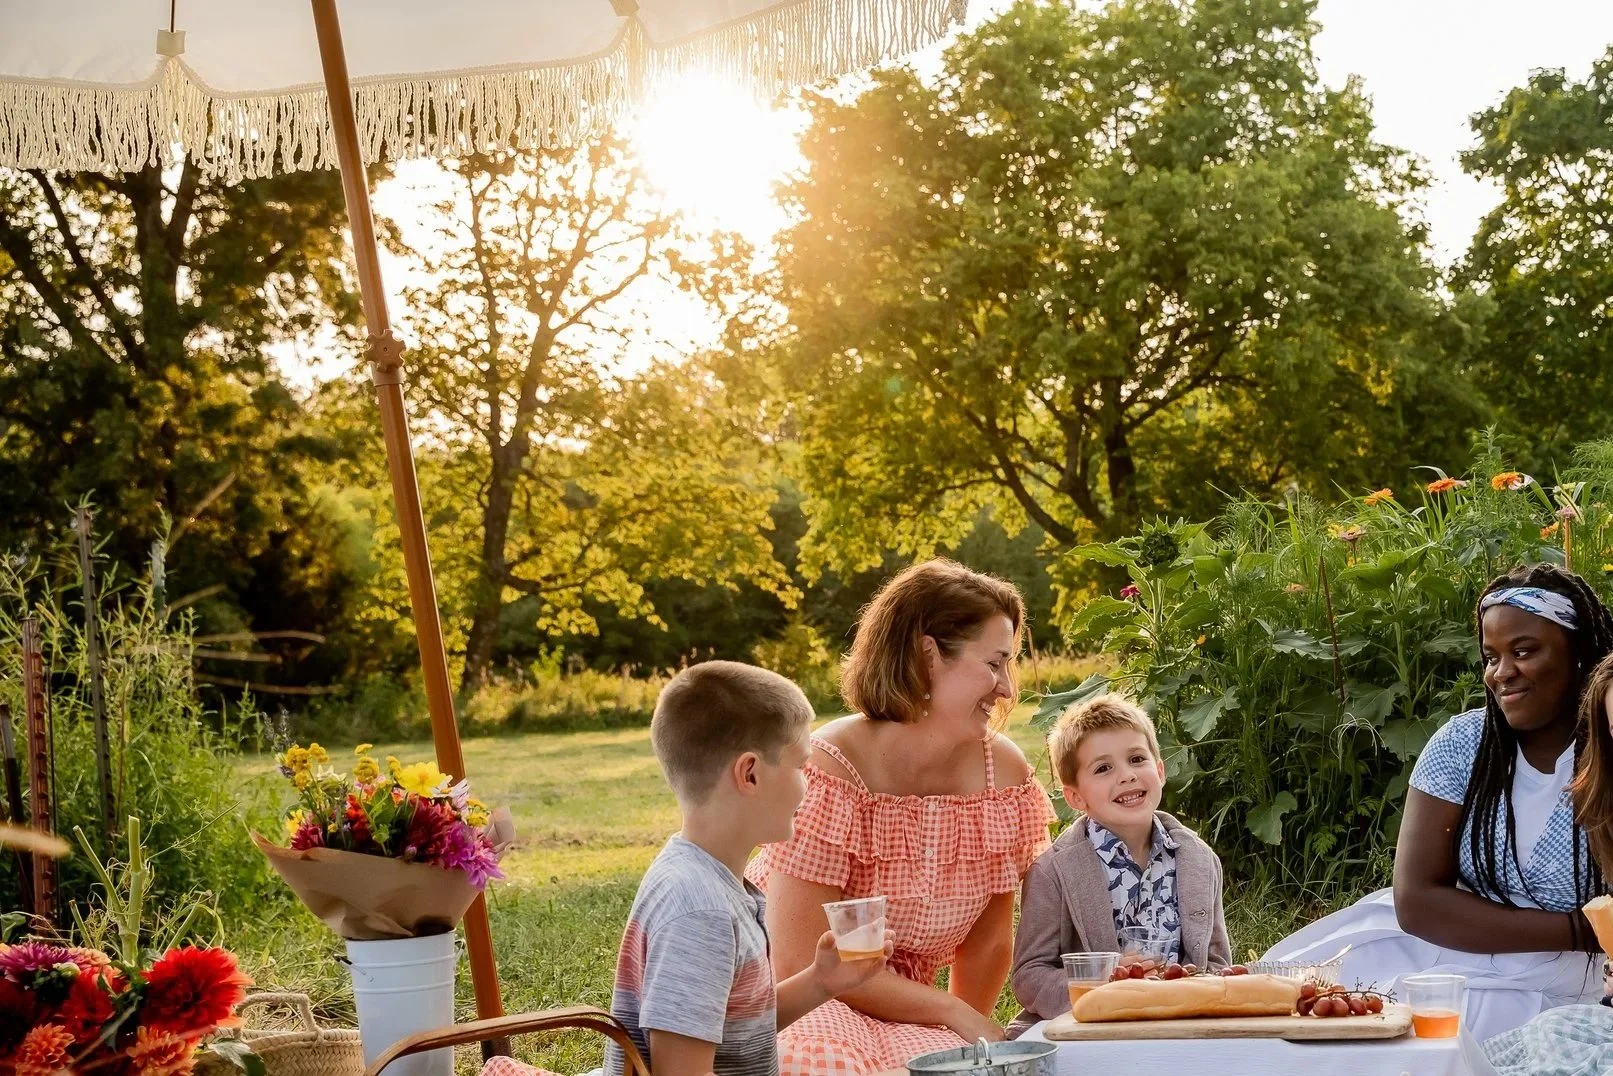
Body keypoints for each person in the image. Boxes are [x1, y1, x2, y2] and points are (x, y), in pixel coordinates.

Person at [1266, 563, 1613, 1040]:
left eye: (1524, 651)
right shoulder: (1463, 744)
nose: (1501, 673)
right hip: (1438, 947)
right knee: (1295, 1015)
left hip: (1562, 979)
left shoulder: (1607, 753)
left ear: (1580, 653)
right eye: (1491, 656)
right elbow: (1417, 902)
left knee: (1447, 1035)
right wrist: (1582, 932)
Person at [744, 560, 1057, 1076]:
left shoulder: (1002, 775)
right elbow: (800, 964)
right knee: (819, 1063)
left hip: (907, 1010)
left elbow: (989, 943)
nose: (1005, 688)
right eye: (994, 662)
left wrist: (961, 1038)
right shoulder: (831, 768)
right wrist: (948, 1011)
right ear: (927, 655)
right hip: (797, 1003)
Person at [603, 661, 893, 1076]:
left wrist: (820, 981)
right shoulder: (701, 912)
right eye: (800, 767)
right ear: (750, 774)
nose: (807, 783)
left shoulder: (705, 877)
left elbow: (734, 1030)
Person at [1006, 692, 1231, 1036]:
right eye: (1104, 768)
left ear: (1159, 770)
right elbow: (1030, 974)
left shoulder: (1199, 861)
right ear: (1075, 797)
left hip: (1179, 1025)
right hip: (1089, 1029)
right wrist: (1102, 982)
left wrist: (1189, 991)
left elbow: (1216, 961)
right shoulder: (1053, 872)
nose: (1126, 776)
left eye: (1137, 759)